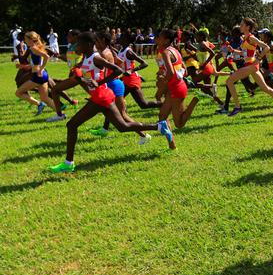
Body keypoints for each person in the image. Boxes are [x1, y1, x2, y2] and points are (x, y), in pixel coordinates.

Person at [48, 32, 174, 173]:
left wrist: (99, 82)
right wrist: (77, 73)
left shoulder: (96, 58)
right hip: (102, 96)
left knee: (71, 125)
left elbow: (117, 70)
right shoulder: (86, 57)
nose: (77, 46)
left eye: (80, 43)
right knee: (122, 126)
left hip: (100, 97)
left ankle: (68, 163)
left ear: (89, 45)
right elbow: (82, 75)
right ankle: (159, 127)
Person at [218, 18, 273, 117]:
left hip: (252, 65)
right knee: (265, 88)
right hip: (250, 65)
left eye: (242, 24)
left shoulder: (251, 38)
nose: (240, 26)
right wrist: (233, 50)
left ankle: (238, 106)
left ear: (248, 27)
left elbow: (266, 47)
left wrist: (259, 58)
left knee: (229, 81)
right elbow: (244, 53)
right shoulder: (245, 38)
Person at [89, 32, 151, 144]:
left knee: (123, 116)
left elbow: (118, 68)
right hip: (111, 84)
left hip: (114, 85)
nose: (95, 43)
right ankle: (104, 129)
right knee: (108, 110)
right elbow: (120, 62)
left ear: (103, 40)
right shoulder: (107, 51)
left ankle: (145, 135)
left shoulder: (104, 54)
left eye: (97, 40)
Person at [156, 29, 199, 149]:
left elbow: (170, 72)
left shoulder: (166, 52)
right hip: (175, 87)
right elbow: (184, 70)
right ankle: (172, 145)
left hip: (175, 89)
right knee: (162, 117)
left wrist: (161, 87)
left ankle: (196, 99)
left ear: (166, 40)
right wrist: (162, 73)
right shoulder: (175, 50)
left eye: (159, 37)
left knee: (179, 124)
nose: (157, 39)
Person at [15, 31, 56, 115]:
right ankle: (60, 114)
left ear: (30, 40)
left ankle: (39, 104)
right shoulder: (36, 47)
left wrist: (41, 69)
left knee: (18, 93)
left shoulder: (33, 48)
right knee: (45, 98)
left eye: (26, 39)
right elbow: (35, 63)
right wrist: (22, 66)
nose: (25, 40)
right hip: (43, 75)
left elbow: (46, 56)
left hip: (38, 76)